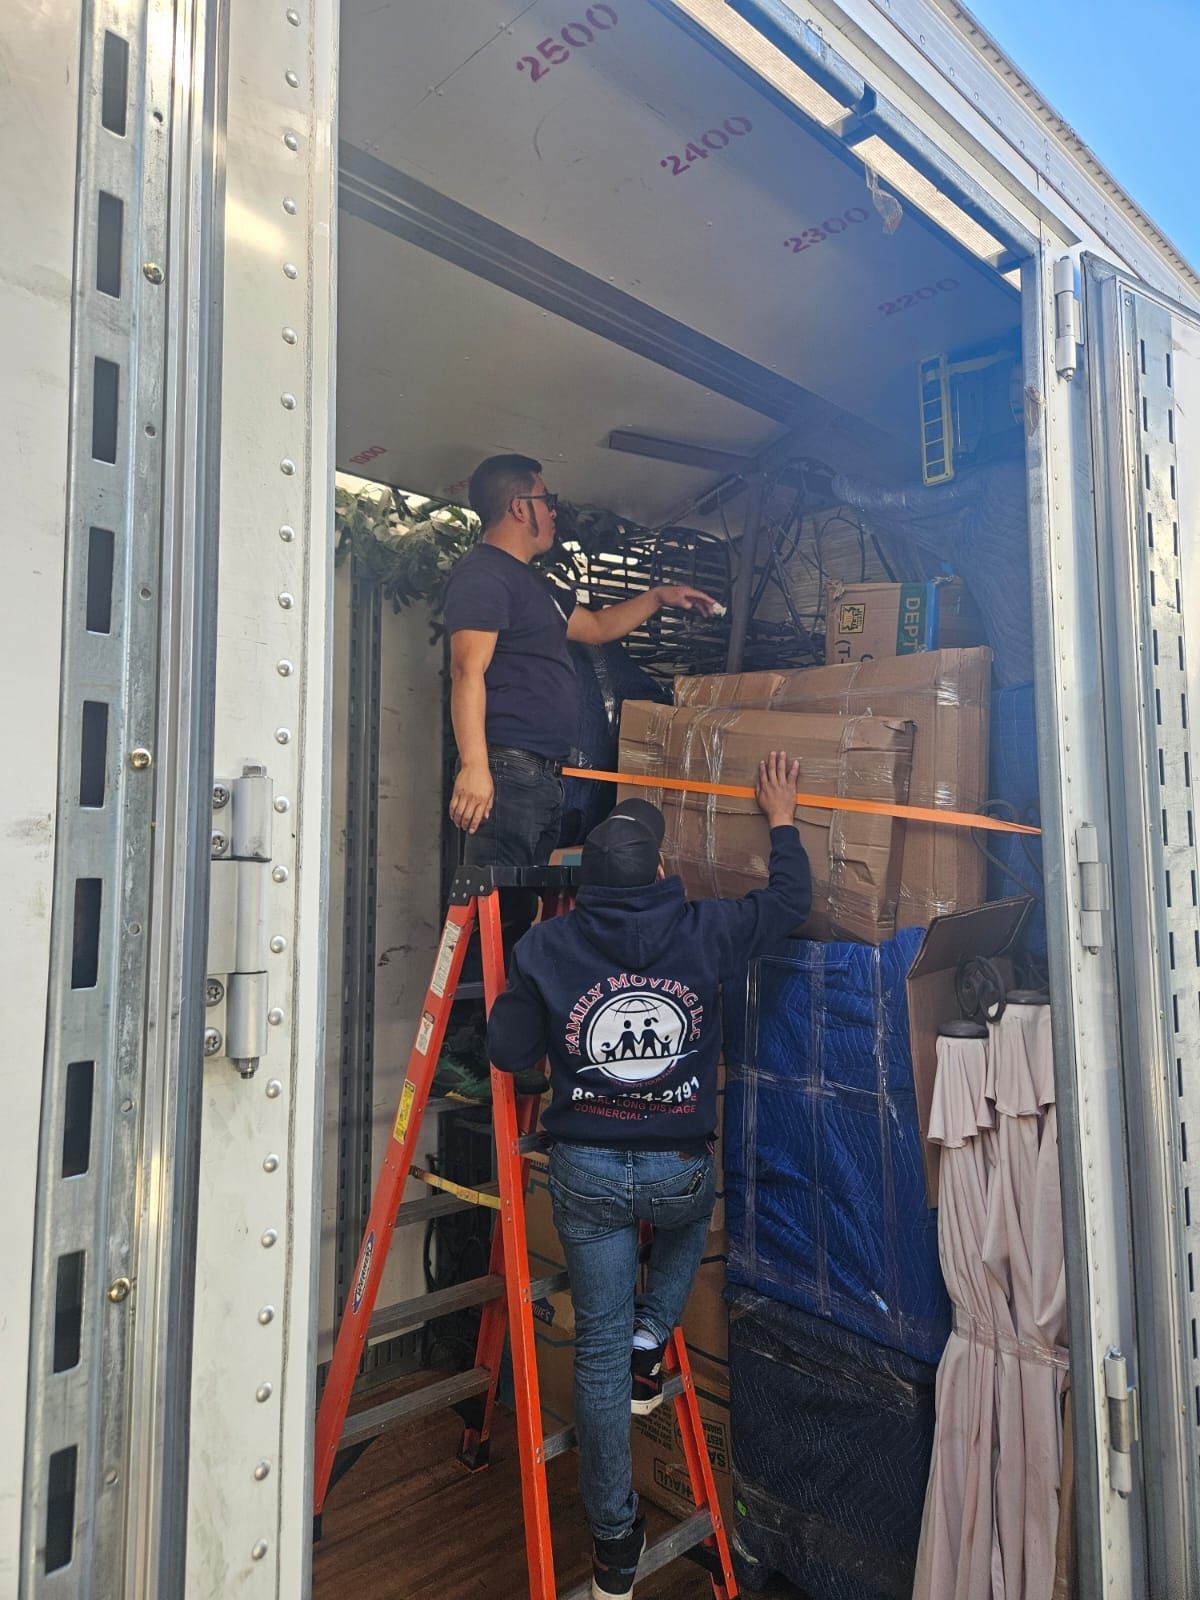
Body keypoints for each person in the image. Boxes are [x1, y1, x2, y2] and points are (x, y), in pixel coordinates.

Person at [487, 754, 812, 1600]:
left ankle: (613, 1550)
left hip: (586, 1177)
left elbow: (508, 1054)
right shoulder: (705, 931)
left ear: (584, 885)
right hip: (676, 1171)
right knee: (689, 1214)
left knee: (588, 1359)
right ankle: (649, 1340)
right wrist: (780, 816)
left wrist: (562, 1041)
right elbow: (789, 906)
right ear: (662, 873)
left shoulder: (546, 944)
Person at [443, 454, 715, 874]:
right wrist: (475, 767)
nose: (553, 511)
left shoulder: (537, 585)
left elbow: (598, 626)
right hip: (508, 771)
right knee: (496, 913)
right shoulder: (484, 575)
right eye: (545, 499)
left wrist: (659, 596)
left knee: (517, 909)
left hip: (544, 776)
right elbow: (467, 670)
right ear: (519, 507)